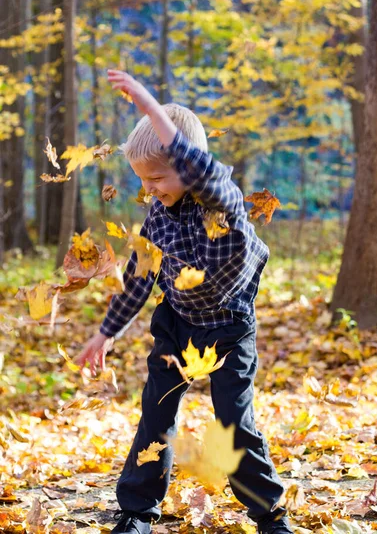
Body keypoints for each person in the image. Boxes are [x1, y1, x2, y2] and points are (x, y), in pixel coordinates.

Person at [76, 69, 294, 534]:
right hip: (176, 324)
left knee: (233, 423)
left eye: (157, 177)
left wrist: (149, 106)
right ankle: (137, 511)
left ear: (187, 166)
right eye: (143, 180)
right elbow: (137, 279)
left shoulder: (222, 202)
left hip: (229, 328)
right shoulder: (157, 216)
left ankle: (269, 515)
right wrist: (105, 333)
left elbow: (196, 167)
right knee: (155, 413)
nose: (150, 188)